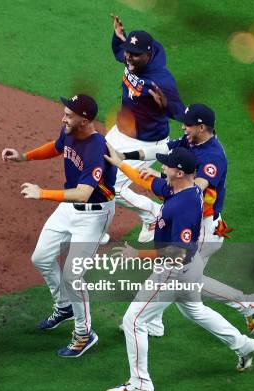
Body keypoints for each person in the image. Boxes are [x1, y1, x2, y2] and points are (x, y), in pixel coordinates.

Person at [104, 147, 254, 391]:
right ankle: (245, 345)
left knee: (134, 321)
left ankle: (140, 384)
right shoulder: (180, 188)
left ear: (179, 172)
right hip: (189, 268)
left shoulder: (185, 205)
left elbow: (177, 251)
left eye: (167, 165)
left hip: (173, 271)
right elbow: (153, 183)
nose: (161, 167)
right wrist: (121, 164)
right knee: (195, 310)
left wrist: (138, 255)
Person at [112, 104, 254, 336]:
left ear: (201, 127)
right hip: (188, 221)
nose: (182, 126)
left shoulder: (213, 156)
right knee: (181, 278)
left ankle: (245, 311)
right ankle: (246, 306)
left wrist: (163, 177)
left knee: (182, 281)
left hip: (202, 229)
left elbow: (195, 192)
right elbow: (162, 149)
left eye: (188, 124)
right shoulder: (190, 140)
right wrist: (125, 156)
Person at [2, 94, 117, 357]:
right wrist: (24, 157)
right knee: (41, 258)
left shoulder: (96, 147)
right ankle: (64, 305)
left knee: (72, 275)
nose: (63, 118)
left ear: (84, 120)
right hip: (68, 208)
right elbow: (56, 147)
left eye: (68, 114)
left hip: (94, 215)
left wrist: (42, 193)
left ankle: (84, 333)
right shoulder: (69, 130)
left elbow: (84, 193)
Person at [107, 14, 186, 243]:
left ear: (149, 54)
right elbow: (119, 53)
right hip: (120, 132)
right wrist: (118, 37)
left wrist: (165, 105)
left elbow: (182, 113)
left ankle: (152, 213)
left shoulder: (162, 80)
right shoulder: (132, 58)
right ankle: (95, 227)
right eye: (127, 52)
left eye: (134, 54)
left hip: (146, 142)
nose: (128, 58)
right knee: (95, 175)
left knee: (112, 187)